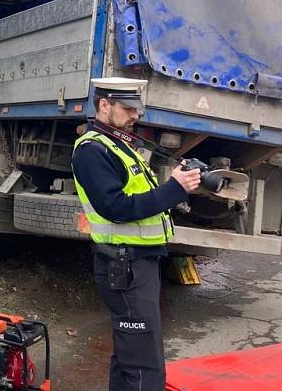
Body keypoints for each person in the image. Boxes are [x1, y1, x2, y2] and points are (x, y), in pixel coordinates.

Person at [71, 77, 202, 391]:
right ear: (105, 105)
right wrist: (174, 189)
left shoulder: (118, 145)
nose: (136, 115)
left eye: (137, 109)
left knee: (131, 355)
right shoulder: (91, 151)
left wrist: (174, 185)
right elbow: (115, 207)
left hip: (138, 264)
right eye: (129, 108)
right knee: (145, 367)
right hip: (124, 267)